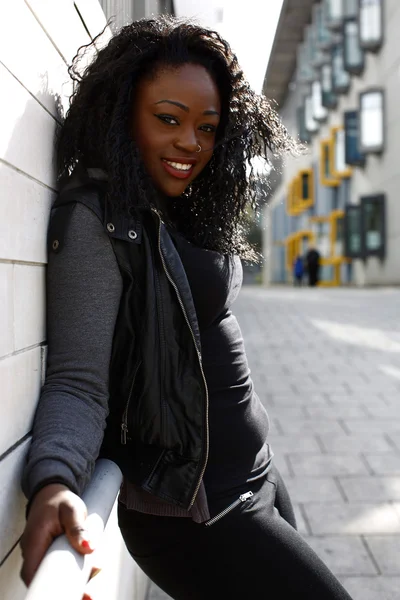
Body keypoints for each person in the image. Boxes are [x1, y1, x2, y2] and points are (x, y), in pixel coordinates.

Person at [19, 16, 354, 600]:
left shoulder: (185, 204)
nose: (191, 144)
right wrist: (54, 481)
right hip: (201, 515)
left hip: (255, 476)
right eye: (168, 120)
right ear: (124, 113)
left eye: (207, 127)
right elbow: (77, 381)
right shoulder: (98, 220)